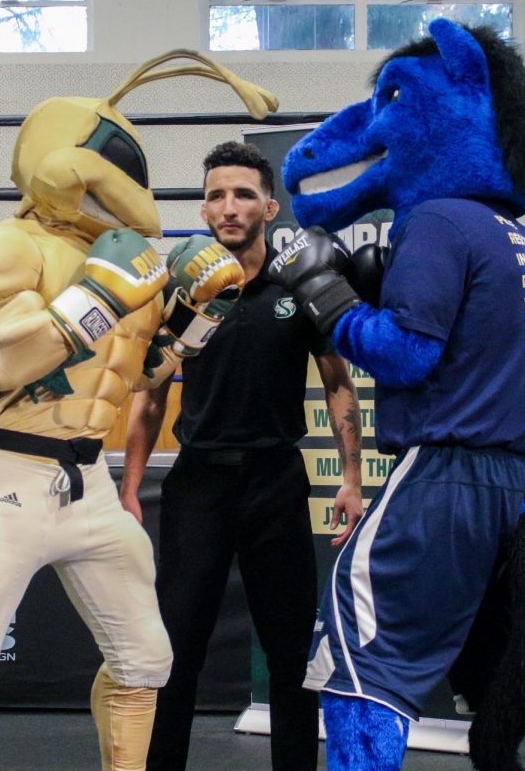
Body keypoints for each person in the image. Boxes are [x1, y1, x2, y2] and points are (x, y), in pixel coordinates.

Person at [0, 54, 277, 771]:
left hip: (89, 484)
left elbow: (138, 375)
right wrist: (99, 298)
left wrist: (196, 320)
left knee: (145, 660)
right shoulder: (8, 246)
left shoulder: (128, 260)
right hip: (9, 476)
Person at [271, 20, 525, 771]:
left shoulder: (435, 220)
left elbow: (406, 356)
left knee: (358, 661)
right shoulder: (514, 236)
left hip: (442, 483)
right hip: (518, 487)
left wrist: (326, 295)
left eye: (397, 100)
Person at [120, 140, 364, 771]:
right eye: (216, 195)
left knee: (289, 657)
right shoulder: (179, 296)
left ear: (269, 206)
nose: (229, 207)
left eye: (243, 194)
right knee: (175, 651)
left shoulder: (299, 286)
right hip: (198, 485)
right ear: (203, 210)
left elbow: (338, 383)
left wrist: (352, 480)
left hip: (276, 484)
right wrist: (129, 488)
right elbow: (148, 398)